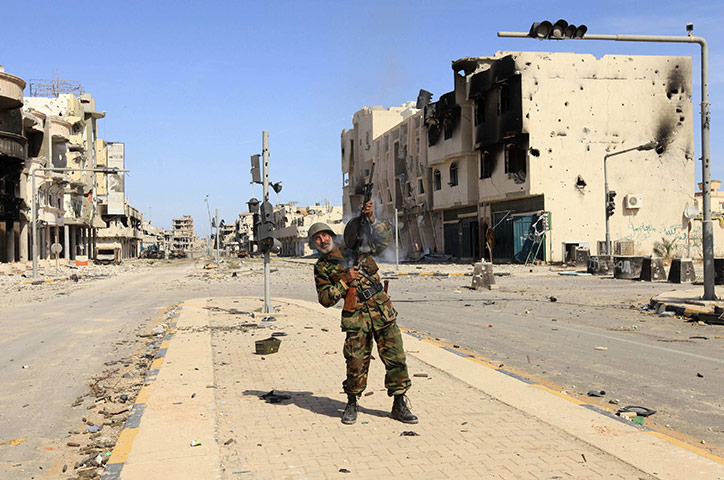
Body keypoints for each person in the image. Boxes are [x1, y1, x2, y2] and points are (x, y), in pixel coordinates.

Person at [308, 201, 418, 425]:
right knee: (355, 363)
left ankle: (399, 404)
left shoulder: (356, 245)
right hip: (355, 317)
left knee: (396, 358)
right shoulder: (321, 267)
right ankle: (351, 403)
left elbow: (384, 240)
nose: (322, 240)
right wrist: (344, 282)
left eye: (324, 235)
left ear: (331, 234)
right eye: (317, 239)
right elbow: (325, 299)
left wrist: (371, 220)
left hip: (381, 310)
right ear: (314, 244)